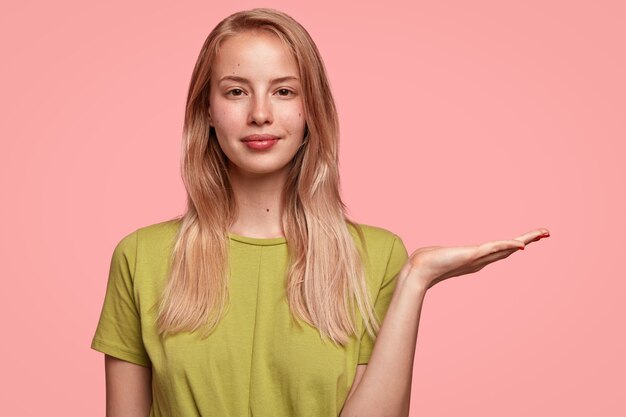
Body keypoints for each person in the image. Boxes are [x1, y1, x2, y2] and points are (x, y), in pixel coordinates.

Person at [90, 7, 550, 417]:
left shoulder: (379, 255)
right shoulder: (140, 257)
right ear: (207, 110)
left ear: (311, 108)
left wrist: (416, 279)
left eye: (284, 91)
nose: (260, 114)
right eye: (235, 92)